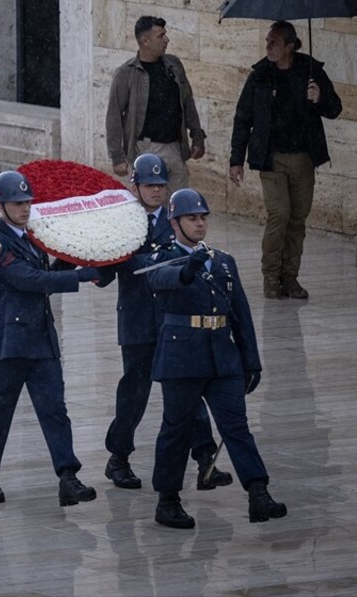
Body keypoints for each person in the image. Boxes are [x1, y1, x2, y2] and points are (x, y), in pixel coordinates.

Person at [145, 188, 287, 529]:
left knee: (236, 427)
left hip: (222, 358)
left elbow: (241, 314)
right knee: (176, 430)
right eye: (192, 218)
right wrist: (187, 268)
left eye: (203, 218)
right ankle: (168, 500)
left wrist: (250, 359)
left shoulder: (222, 261)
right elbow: (161, 280)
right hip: (182, 358)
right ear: (174, 222)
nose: (199, 224)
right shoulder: (161, 257)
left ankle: (258, 492)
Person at [0, 170, 102, 506]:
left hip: (41, 340)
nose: (25, 209)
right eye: (18, 203)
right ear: (0, 206)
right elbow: (29, 280)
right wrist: (80, 276)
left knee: (54, 409)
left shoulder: (34, 237)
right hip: (8, 343)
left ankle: (68, 476)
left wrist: (73, 258)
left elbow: (44, 274)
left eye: (28, 202)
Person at [102, 153, 230, 492]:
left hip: (172, 319)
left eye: (160, 185)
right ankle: (118, 457)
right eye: (149, 185)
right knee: (135, 391)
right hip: (137, 318)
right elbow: (115, 264)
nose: (156, 191)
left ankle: (204, 458)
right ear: (136, 186)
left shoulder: (173, 219)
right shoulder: (123, 220)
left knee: (186, 390)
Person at [229, 20, 342, 300]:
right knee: (279, 214)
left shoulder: (311, 70)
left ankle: (290, 277)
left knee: (297, 218)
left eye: (274, 42)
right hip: (272, 157)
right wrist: (236, 159)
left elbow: (335, 109)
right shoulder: (260, 76)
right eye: (268, 41)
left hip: (303, 157)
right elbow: (243, 118)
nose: (268, 47)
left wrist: (320, 97)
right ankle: (270, 277)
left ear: (290, 47)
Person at [106, 16, 206, 191]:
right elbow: (114, 115)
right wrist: (117, 157)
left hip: (175, 148)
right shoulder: (126, 73)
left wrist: (197, 136)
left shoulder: (173, 65)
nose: (166, 40)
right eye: (161, 36)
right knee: (150, 207)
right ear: (145, 41)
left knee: (178, 208)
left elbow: (187, 102)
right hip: (146, 149)